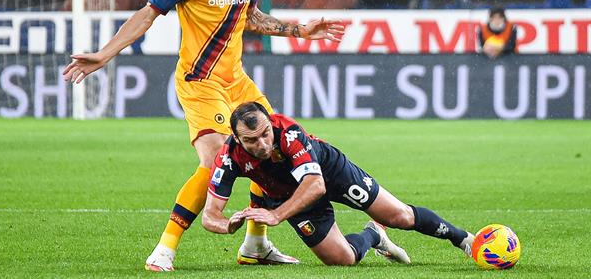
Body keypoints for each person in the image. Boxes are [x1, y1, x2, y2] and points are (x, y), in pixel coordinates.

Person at [62, 0, 345, 272]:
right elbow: (147, 15)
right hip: (200, 82)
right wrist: (104, 54)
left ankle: (255, 244)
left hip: (237, 80)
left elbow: (250, 16)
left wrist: (297, 30)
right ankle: (165, 247)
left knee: (268, 148)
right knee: (215, 162)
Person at [202, 102, 474, 266]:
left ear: (270, 123)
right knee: (341, 260)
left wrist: (275, 215)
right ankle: (374, 236)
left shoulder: (288, 131)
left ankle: (464, 240)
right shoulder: (228, 157)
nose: (262, 144)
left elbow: (315, 184)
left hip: (330, 173)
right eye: (251, 140)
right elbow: (209, 216)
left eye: (264, 134)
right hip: (290, 197)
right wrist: (227, 225)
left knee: (398, 216)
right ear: (237, 139)